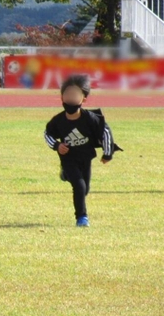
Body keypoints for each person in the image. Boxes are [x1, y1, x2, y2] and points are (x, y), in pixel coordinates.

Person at [44, 75, 118, 227]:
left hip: (86, 157)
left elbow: (105, 132)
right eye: (68, 94)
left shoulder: (90, 118)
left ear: (84, 99)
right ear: (62, 97)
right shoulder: (58, 121)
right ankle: (82, 217)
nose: (71, 98)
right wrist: (57, 146)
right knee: (79, 186)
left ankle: (65, 175)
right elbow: (48, 134)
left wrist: (107, 153)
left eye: (75, 94)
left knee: (85, 189)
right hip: (68, 159)